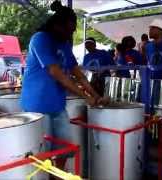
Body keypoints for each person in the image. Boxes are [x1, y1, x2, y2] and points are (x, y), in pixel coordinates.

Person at [20, 1, 106, 171]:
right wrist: (86, 97)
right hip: (37, 107)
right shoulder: (40, 39)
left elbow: (78, 74)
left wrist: (95, 95)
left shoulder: (65, 44)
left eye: (72, 31)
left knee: (65, 148)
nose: (70, 34)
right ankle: (47, 175)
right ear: (57, 25)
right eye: (68, 30)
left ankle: (56, 175)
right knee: (43, 152)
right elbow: (56, 73)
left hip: (57, 106)